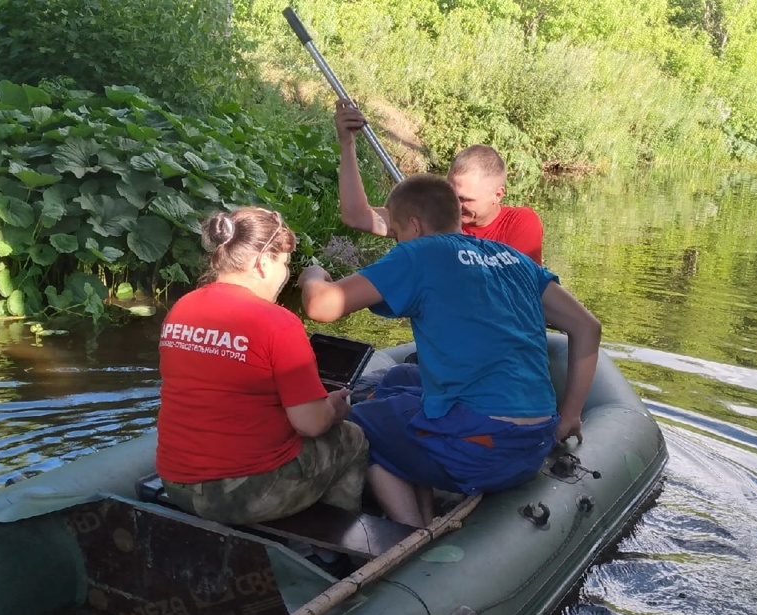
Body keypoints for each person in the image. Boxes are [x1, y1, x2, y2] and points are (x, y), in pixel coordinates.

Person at [298, 174, 601, 527]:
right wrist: (570, 416)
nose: (397, 242)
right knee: (399, 377)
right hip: (534, 445)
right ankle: (427, 509)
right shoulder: (513, 258)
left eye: (395, 234)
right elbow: (587, 327)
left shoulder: (420, 253)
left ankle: (413, 534)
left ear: (413, 226)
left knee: (356, 425)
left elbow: (322, 306)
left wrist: (314, 276)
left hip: (482, 453)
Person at [156, 206, 367, 526]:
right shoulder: (278, 323)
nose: (285, 274)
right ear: (262, 263)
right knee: (352, 439)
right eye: (284, 263)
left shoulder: (182, 307)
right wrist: (334, 408)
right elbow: (310, 425)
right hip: (243, 494)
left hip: (176, 484)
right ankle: (333, 550)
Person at [335, 99, 545, 264]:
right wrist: (347, 143)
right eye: (450, 193)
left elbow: (515, 286)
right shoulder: (431, 215)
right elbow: (357, 216)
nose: (453, 204)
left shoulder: (521, 222)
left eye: (465, 200)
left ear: (497, 195)